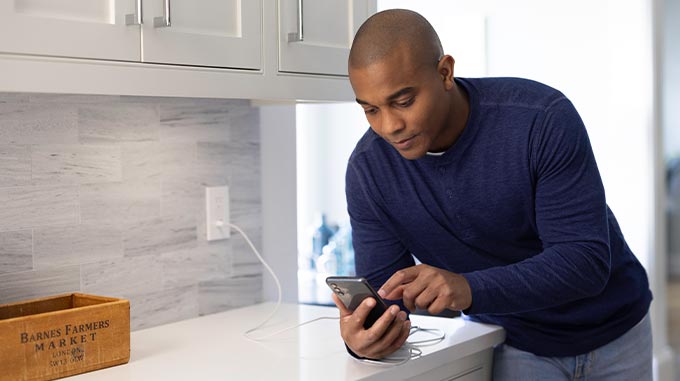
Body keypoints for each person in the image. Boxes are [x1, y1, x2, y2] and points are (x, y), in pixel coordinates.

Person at [331, 8, 653, 380]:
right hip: (512, 342)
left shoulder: (541, 119)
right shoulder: (369, 171)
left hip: (617, 329)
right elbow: (389, 300)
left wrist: (467, 288)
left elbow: (583, 261)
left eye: (403, 102)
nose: (389, 126)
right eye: (371, 109)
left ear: (444, 72)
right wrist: (365, 339)